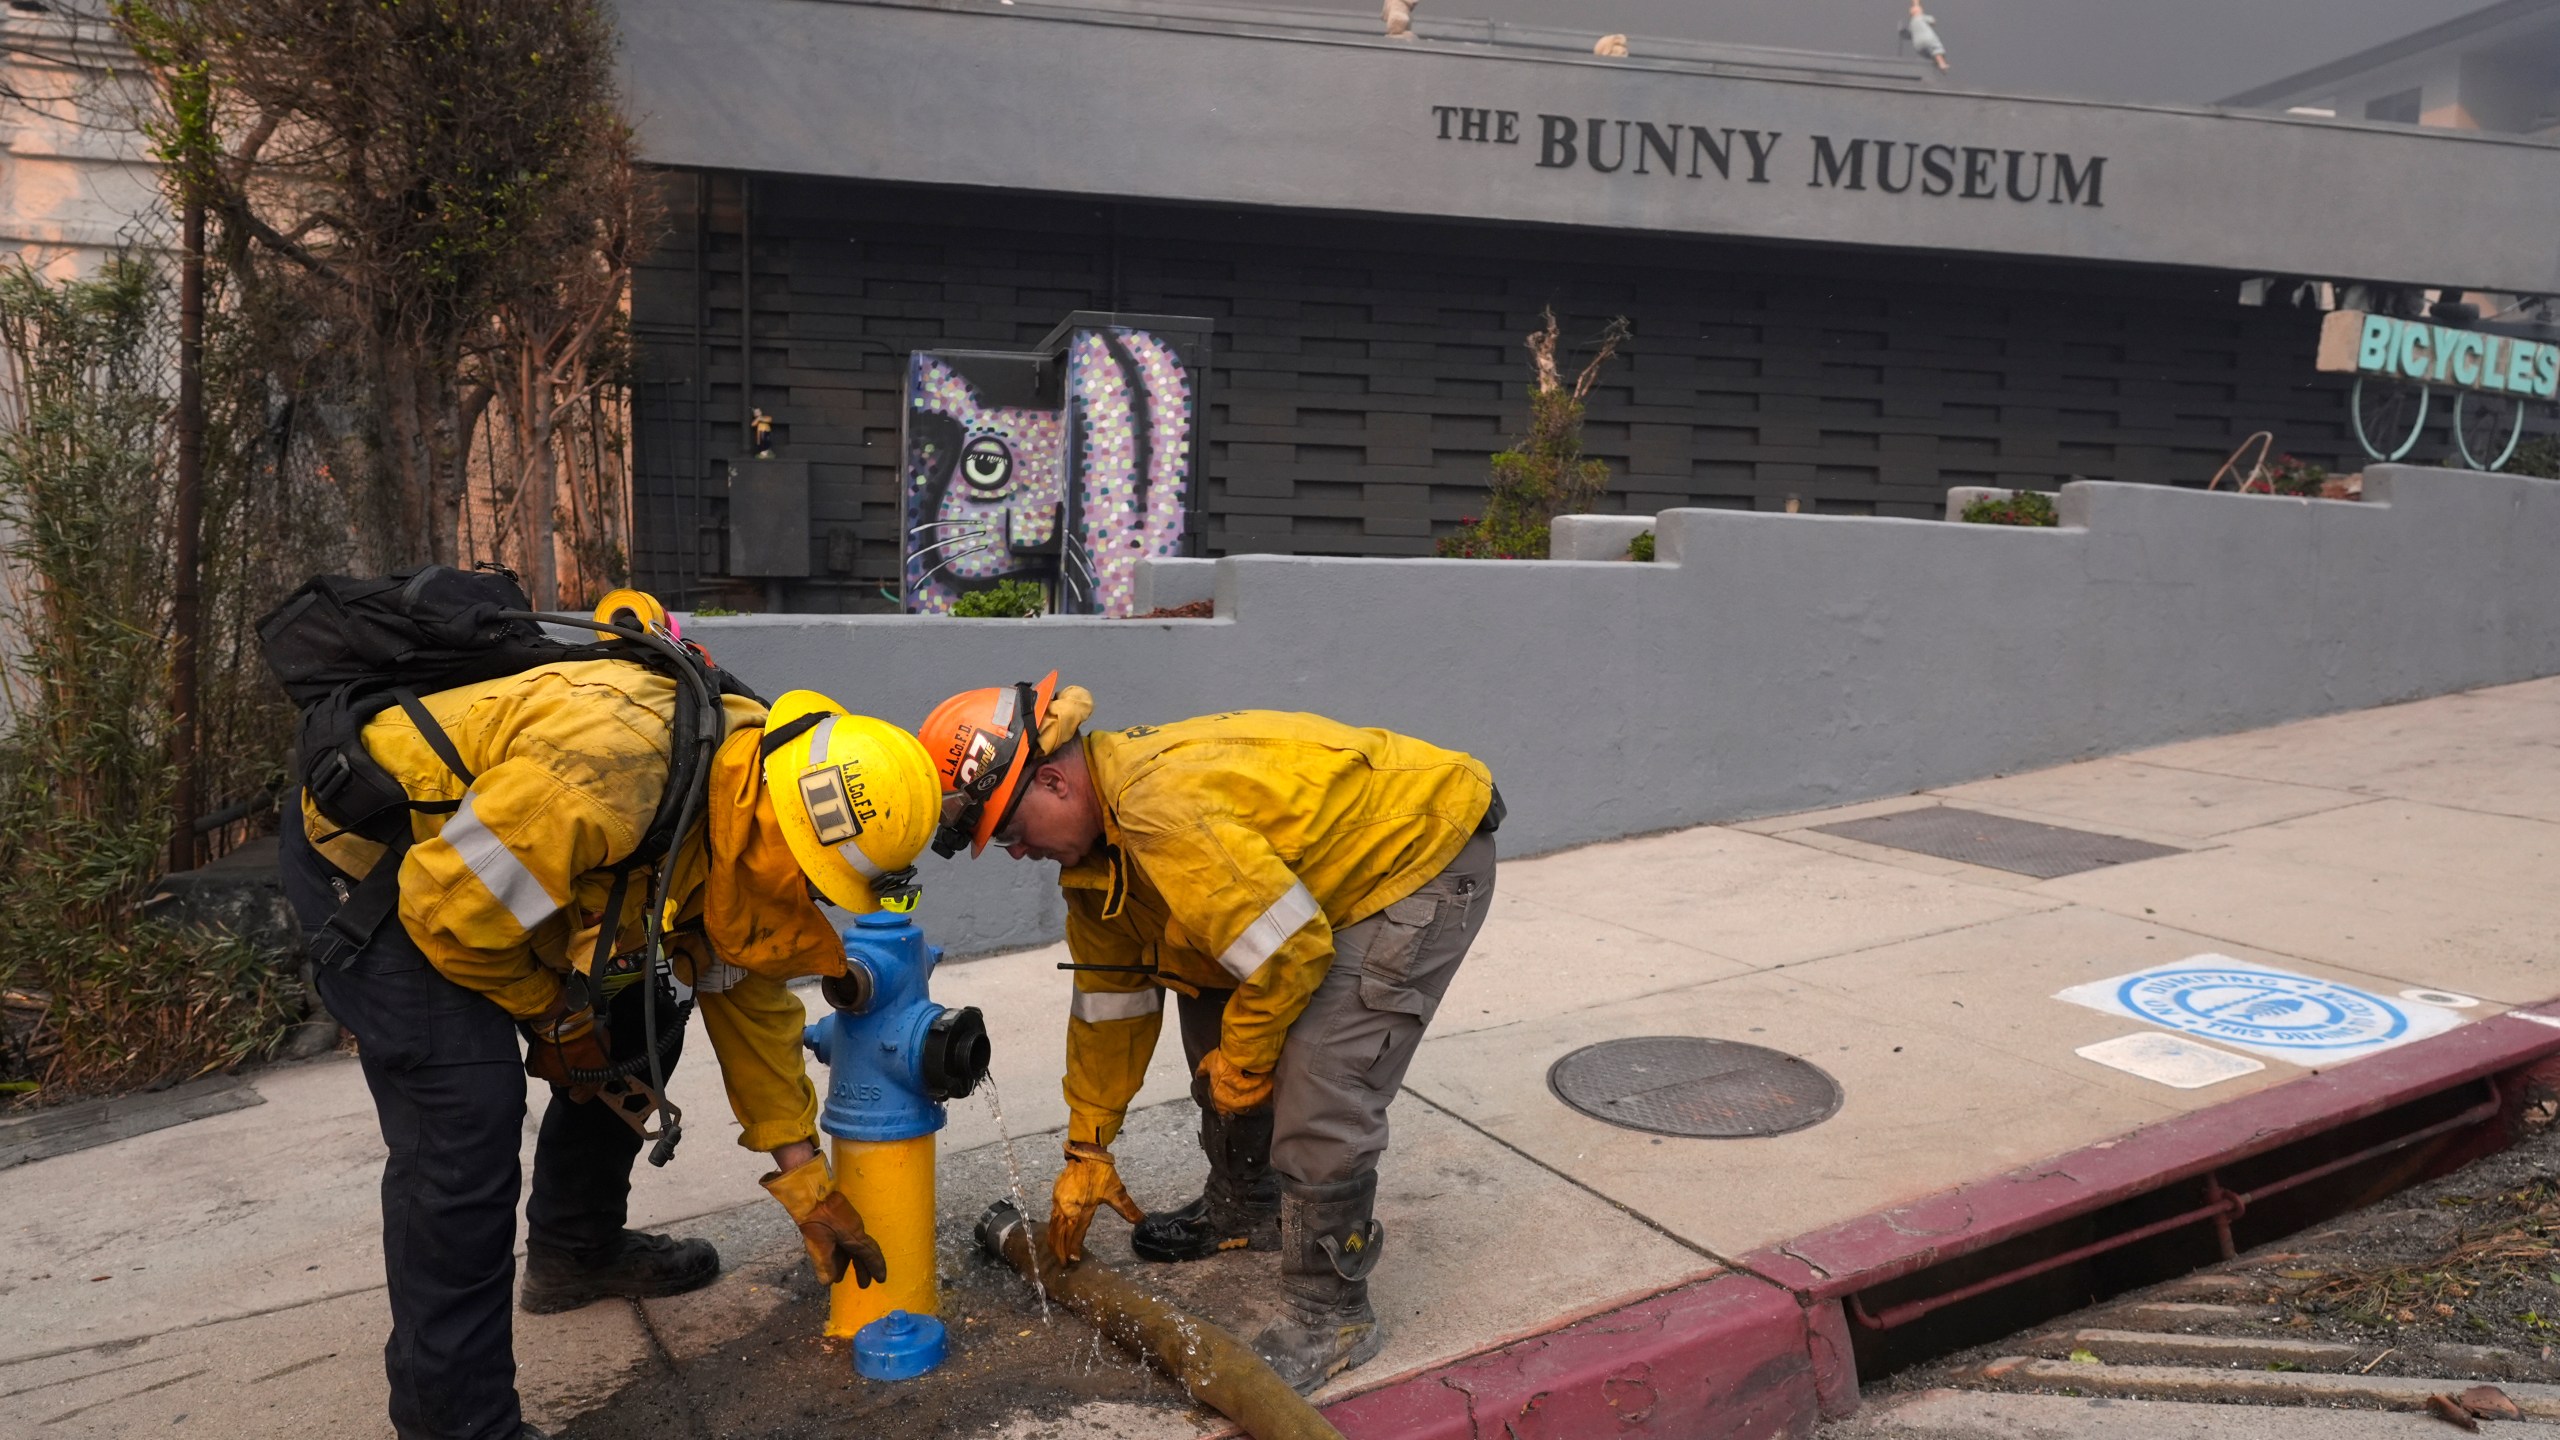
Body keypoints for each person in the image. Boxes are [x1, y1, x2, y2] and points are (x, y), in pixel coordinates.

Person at [280, 598, 944, 1440]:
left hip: (500, 865)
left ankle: (575, 1250)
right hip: (384, 866)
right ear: (785, 831)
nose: (812, 899)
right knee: (465, 1123)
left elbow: (741, 987)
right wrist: (553, 1017)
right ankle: (456, 1422)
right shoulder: (603, 778)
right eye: (814, 880)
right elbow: (449, 917)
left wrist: (806, 1178)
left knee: (642, 1019)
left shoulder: (750, 767)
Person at [917, 674, 1500, 1393]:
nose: (1012, 852)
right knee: (1214, 1022)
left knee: (1320, 1082)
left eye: (1008, 830)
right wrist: (1087, 1145)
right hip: (1310, 888)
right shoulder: (1098, 861)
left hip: (1418, 856)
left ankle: (1334, 1314)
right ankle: (1246, 1207)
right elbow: (1111, 1006)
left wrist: (1248, 1062)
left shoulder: (1162, 810)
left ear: (1052, 782)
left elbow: (1289, 952)